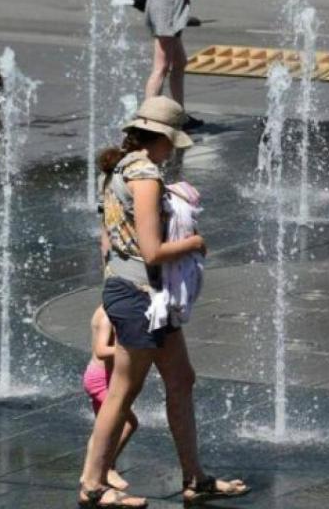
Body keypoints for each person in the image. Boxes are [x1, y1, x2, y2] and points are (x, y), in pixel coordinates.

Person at [78, 96, 248, 508]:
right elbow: (154, 251)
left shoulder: (118, 167)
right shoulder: (146, 176)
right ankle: (91, 485)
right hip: (140, 298)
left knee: (181, 380)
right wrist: (194, 242)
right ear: (164, 139)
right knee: (121, 391)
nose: (174, 150)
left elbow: (107, 241)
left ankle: (195, 478)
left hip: (137, 293)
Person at [141, 0, 213, 129]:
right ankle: (146, 119)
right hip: (167, 6)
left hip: (166, 3)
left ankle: (178, 114)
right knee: (160, 68)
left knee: (179, 62)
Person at [82, 306, 139, 493]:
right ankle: (105, 468)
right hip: (100, 379)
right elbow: (100, 350)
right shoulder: (106, 315)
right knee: (129, 423)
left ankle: (90, 472)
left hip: (102, 376)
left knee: (102, 428)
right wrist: (130, 347)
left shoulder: (107, 311)